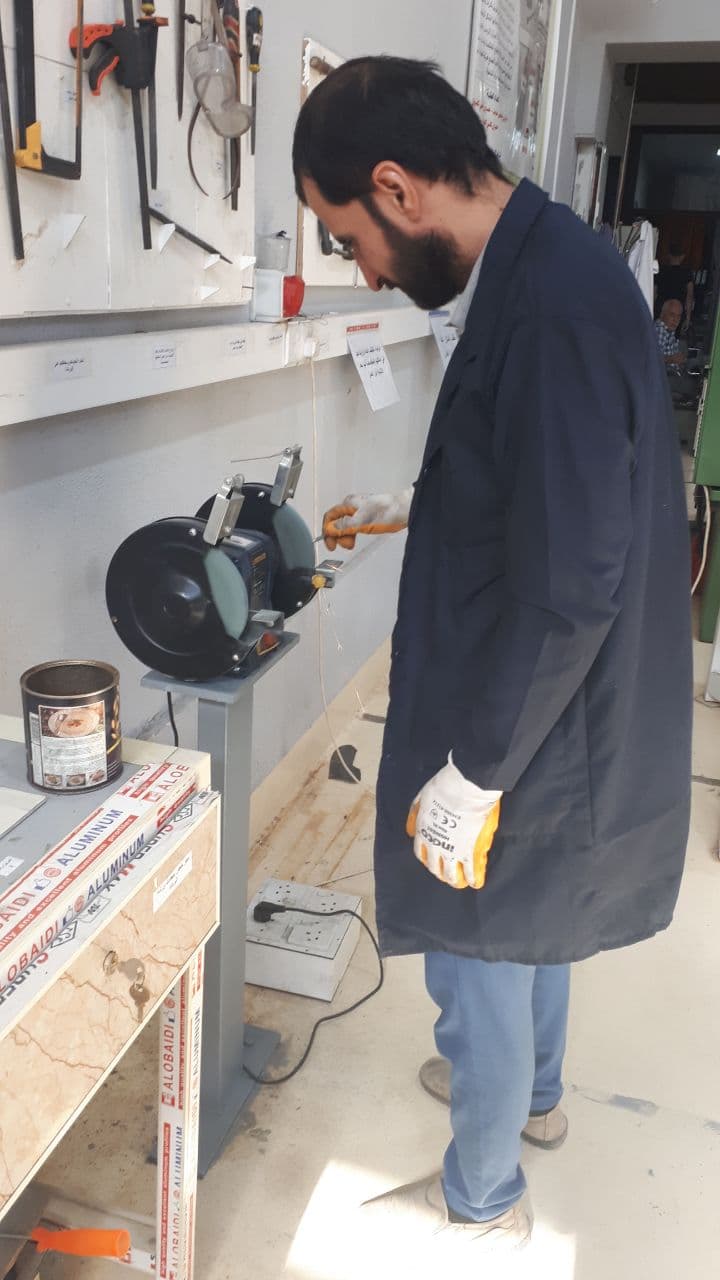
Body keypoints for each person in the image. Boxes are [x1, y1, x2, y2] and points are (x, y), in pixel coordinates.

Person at [293, 57, 692, 1256]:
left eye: (348, 236)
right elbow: (550, 483)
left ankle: (482, 1195)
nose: (363, 268)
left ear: (397, 187)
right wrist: (425, 506)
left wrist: (474, 771)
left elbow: (570, 581)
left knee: (481, 948)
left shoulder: (553, 303)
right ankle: (537, 1098)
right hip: (552, 694)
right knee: (535, 925)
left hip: (531, 706)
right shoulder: (541, 262)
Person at [656, 242, 694, 330]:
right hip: (677, 312)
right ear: (682, 256)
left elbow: (653, 293)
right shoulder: (687, 273)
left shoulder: (661, 271)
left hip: (661, 310)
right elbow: (689, 296)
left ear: (669, 255)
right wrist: (688, 317)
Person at [655, 298, 686, 367]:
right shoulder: (659, 330)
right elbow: (653, 359)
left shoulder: (669, 330)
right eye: (672, 315)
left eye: (678, 316)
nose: (675, 320)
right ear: (662, 314)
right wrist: (671, 359)